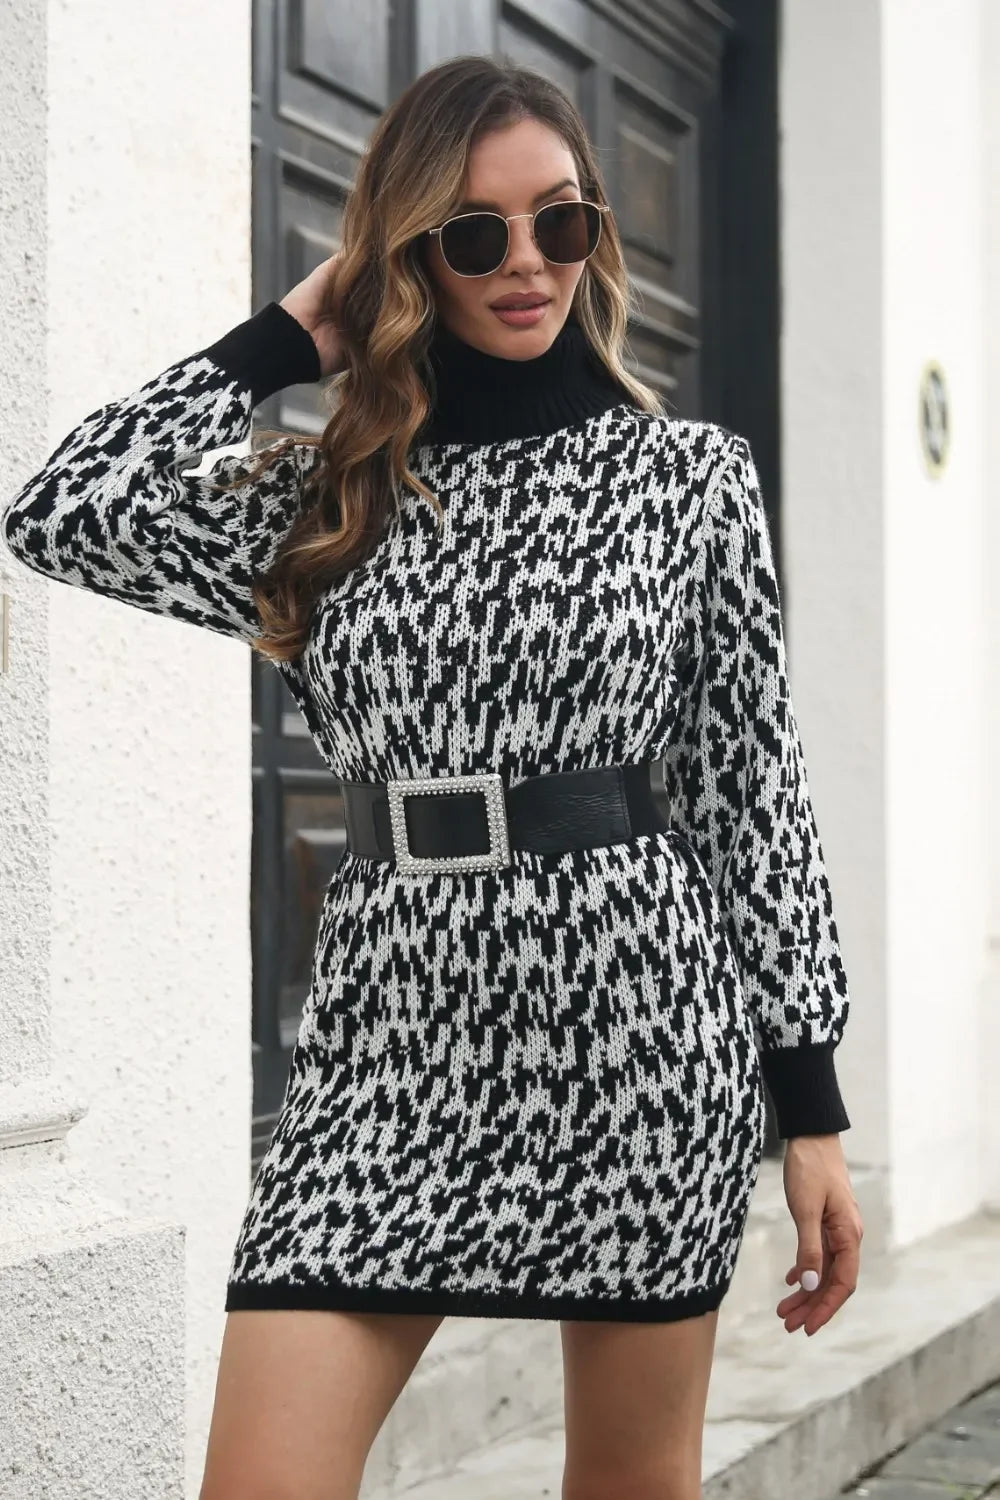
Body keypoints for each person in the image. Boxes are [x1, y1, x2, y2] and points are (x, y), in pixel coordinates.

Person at [1, 52, 863, 1500]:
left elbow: (751, 794)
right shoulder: (322, 495)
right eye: (473, 233)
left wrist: (812, 1109)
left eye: (561, 221)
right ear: (405, 253)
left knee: (631, 1486)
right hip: (390, 1033)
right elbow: (61, 511)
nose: (527, 263)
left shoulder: (688, 482)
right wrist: (285, 336)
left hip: (634, 1026)